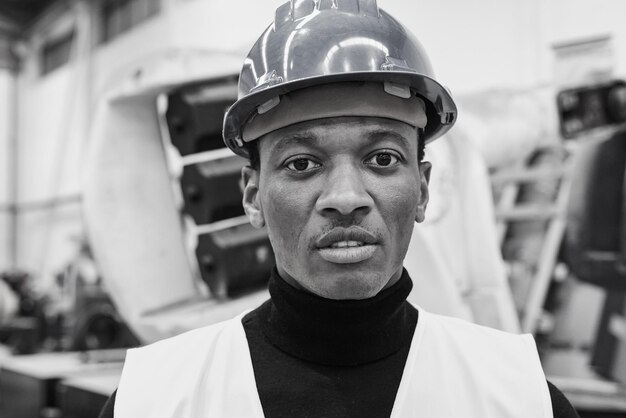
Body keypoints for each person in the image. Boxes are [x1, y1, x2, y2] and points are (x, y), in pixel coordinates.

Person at [100, 1, 578, 416]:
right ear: (252, 195)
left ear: (423, 190)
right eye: (302, 163)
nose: (346, 198)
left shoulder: (521, 399)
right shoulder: (152, 401)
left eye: (383, 159)